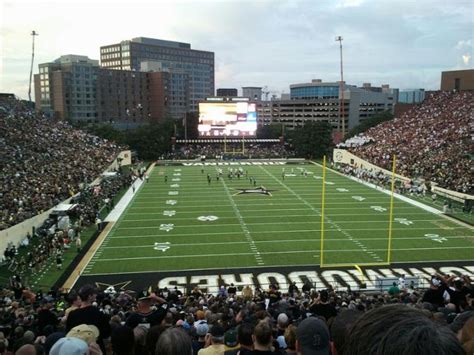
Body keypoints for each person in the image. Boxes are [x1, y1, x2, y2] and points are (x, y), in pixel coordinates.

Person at [66, 284, 111, 353]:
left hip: (78, 349)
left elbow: (69, 334)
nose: (95, 295)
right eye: (94, 294)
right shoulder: (98, 312)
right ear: (90, 296)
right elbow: (106, 333)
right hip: (95, 348)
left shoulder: (72, 314)